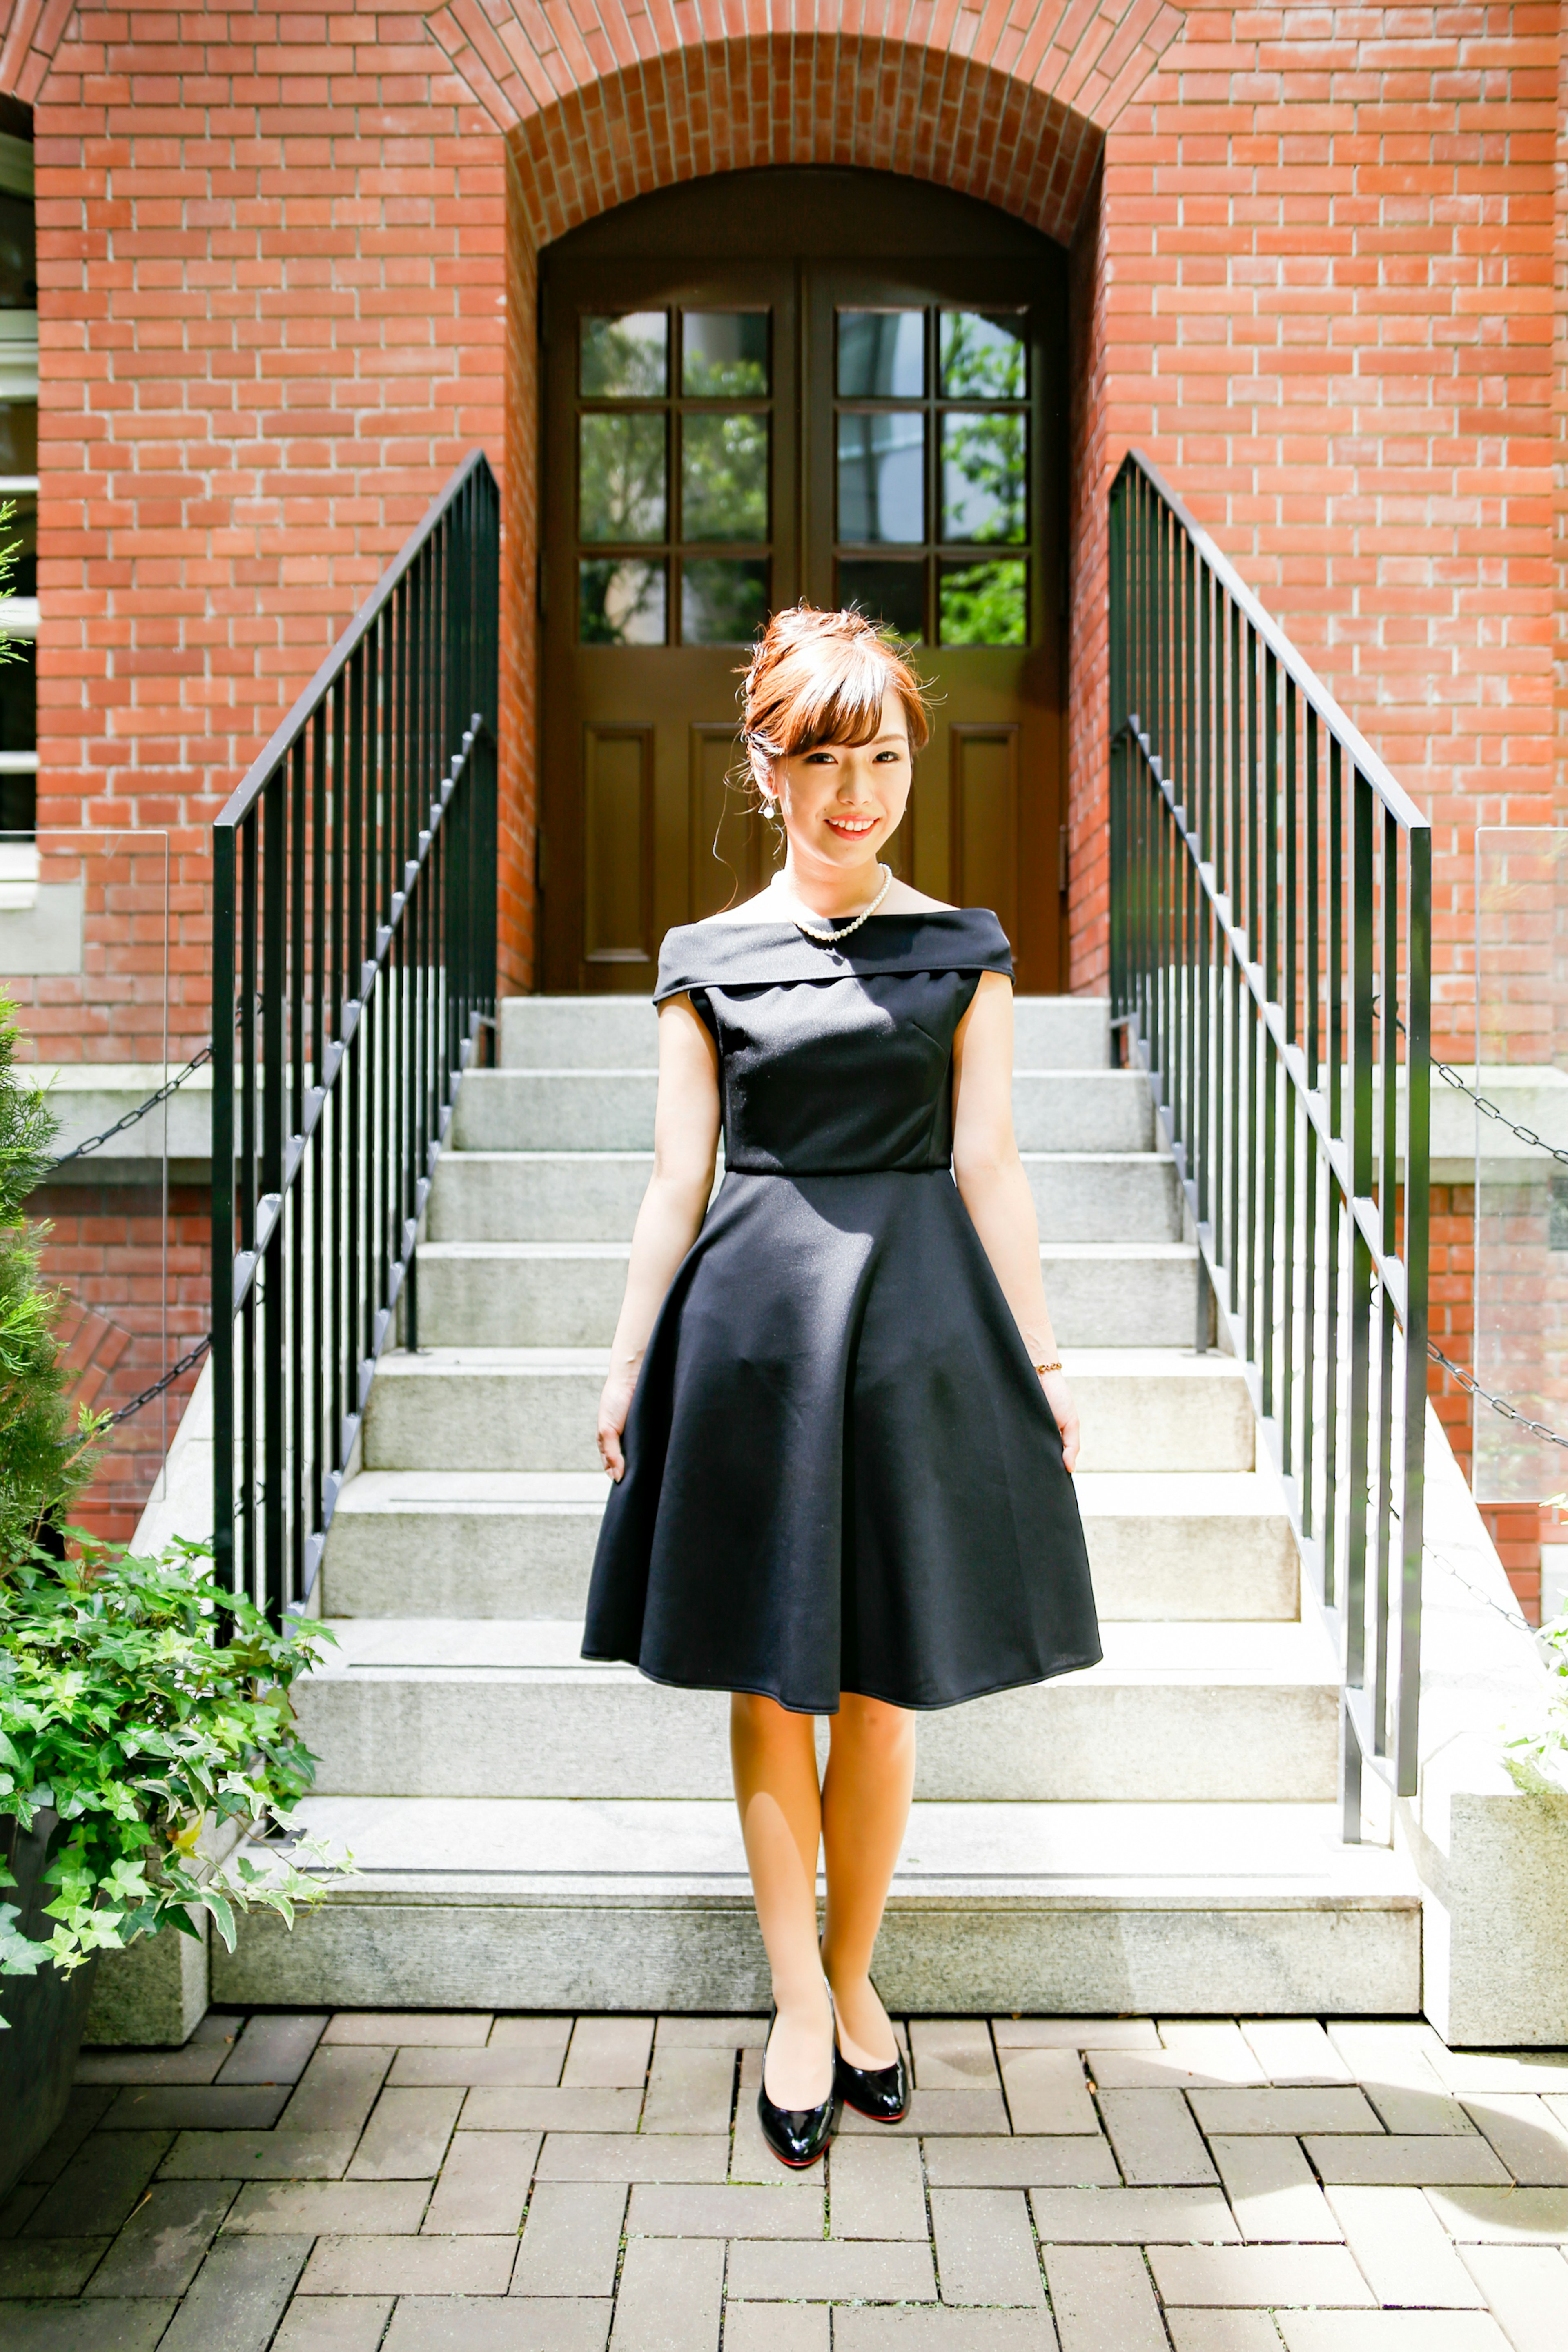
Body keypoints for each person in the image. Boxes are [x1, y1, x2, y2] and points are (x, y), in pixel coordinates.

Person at [584, 604, 1100, 2168]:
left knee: (880, 1688)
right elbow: (679, 1179)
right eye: (823, 760)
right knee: (769, 1679)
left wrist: (1049, 1357)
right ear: (767, 767)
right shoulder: (706, 963)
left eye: (880, 758)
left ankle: (859, 1977)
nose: (855, 791)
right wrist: (625, 1359)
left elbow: (989, 1160)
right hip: (749, 1339)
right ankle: (795, 2003)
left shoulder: (967, 947)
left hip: (922, 1335)